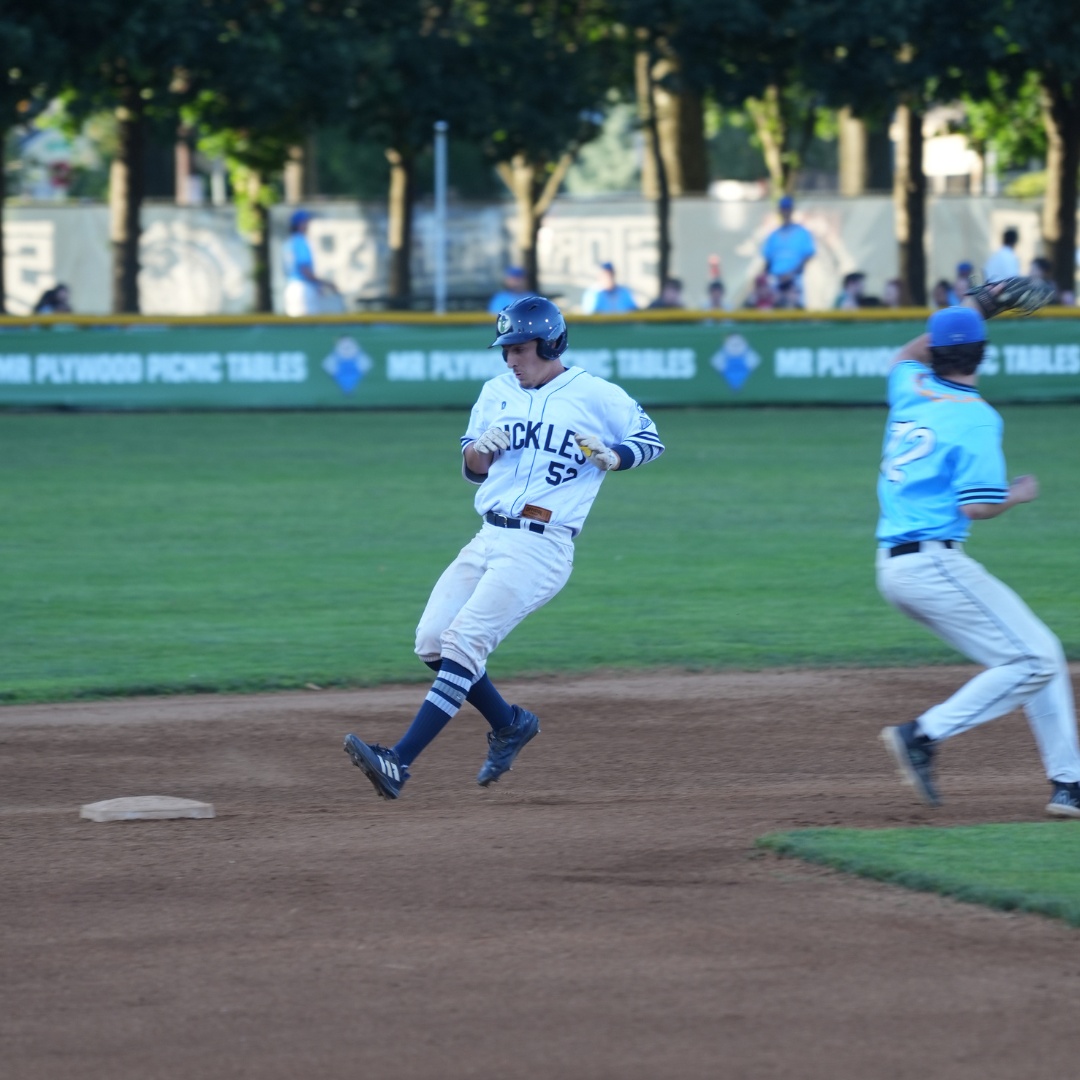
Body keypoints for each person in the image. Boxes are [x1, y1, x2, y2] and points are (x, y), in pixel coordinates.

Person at [342, 295, 666, 799]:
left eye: (520, 348)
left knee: (464, 643)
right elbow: (472, 469)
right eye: (507, 349)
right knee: (431, 641)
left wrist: (617, 456)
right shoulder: (496, 392)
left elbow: (651, 438)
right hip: (488, 535)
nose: (511, 359)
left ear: (551, 342)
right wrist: (479, 450)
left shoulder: (595, 394)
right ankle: (510, 724)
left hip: (541, 546)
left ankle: (398, 762)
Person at [877, 286, 1080, 818]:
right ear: (984, 355)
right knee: (1032, 657)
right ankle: (923, 734)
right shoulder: (976, 416)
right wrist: (1020, 492)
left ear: (936, 353)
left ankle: (1069, 784)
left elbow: (905, 354)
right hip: (933, 563)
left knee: (1040, 653)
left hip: (895, 566)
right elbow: (979, 507)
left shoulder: (911, 385)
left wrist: (971, 307)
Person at [282, 209, 340, 316]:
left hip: (291, 288)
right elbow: (304, 270)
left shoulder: (288, 242)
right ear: (300, 224)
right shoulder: (300, 241)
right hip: (303, 290)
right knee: (308, 329)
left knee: (296, 329)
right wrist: (322, 283)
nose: (308, 225)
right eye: (306, 222)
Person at [761, 194, 815, 307]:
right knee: (774, 309)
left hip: (795, 279)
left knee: (796, 310)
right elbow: (767, 260)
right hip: (775, 280)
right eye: (783, 208)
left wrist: (791, 274)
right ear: (779, 210)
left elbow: (808, 255)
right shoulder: (773, 235)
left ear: (792, 210)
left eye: (788, 208)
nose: (785, 211)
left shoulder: (802, 232)